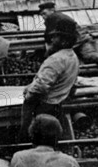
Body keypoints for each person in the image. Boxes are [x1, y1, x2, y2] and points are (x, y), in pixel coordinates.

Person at [18, 14, 80, 142]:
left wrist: (28, 96)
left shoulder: (56, 60)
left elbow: (41, 86)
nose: (52, 40)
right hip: (57, 103)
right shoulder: (73, 57)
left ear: (64, 40)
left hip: (44, 104)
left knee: (32, 132)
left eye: (56, 37)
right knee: (47, 135)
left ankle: (24, 143)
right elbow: (74, 83)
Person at [38, 2, 98, 70]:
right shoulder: (62, 16)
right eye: (41, 15)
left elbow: (48, 35)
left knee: (55, 56)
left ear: (52, 10)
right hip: (83, 38)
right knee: (88, 55)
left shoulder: (52, 18)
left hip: (73, 42)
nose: (43, 16)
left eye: (44, 13)